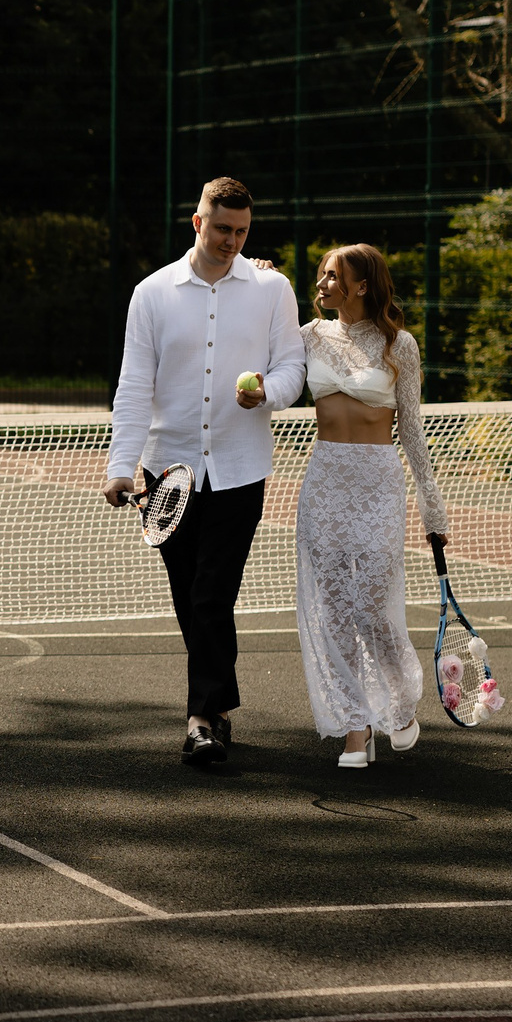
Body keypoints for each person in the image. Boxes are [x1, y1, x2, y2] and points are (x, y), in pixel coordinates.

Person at [104, 178, 305, 766]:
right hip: (166, 472)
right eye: (223, 229)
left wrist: (267, 392)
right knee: (192, 598)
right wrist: (120, 467)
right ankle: (216, 708)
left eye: (243, 232)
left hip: (242, 471)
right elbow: (135, 385)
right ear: (197, 222)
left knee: (213, 593)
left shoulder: (272, 288)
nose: (232, 241)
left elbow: (292, 364)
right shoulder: (151, 293)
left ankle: (200, 721)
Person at [295, 244, 449, 769]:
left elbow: (413, 433)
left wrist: (434, 511)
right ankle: (355, 729)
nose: (322, 283)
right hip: (325, 482)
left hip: (378, 484)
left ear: (362, 285)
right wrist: (258, 274)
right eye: (321, 275)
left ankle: (401, 707)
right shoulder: (308, 337)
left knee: (372, 607)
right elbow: (262, 356)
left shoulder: (398, 344)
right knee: (334, 607)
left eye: (333, 276)